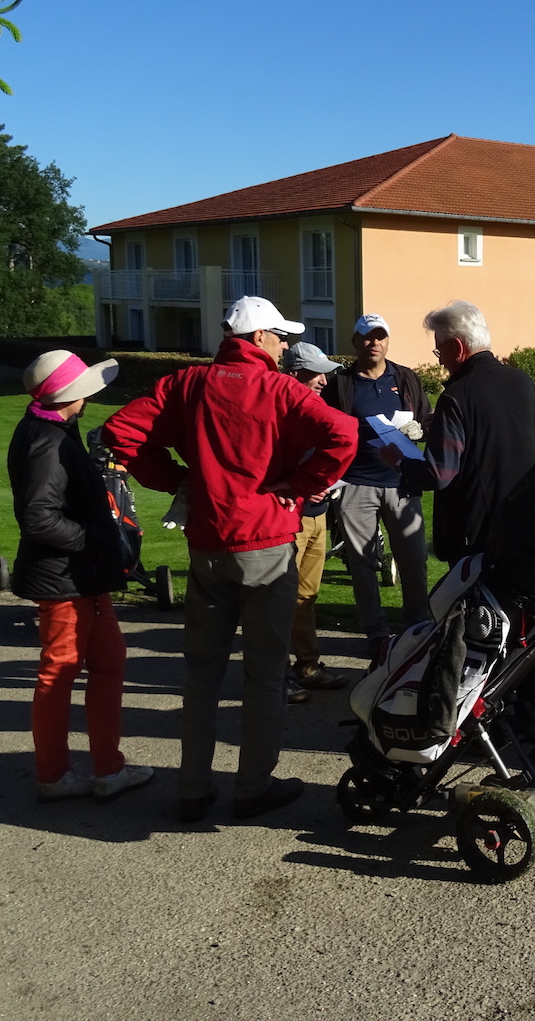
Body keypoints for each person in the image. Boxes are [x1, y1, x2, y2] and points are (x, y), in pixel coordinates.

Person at [102, 296, 358, 823]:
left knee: (202, 673)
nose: (286, 345)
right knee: (264, 673)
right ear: (260, 337)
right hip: (264, 540)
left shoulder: (185, 384)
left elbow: (119, 434)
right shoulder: (279, 388)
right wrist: (300, 484)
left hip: (208, 546)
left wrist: (177, 480)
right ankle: (252, 787)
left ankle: (193, 787)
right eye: (281, 336)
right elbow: (344, 435)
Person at [9, 350, 154, 804]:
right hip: (67, 579)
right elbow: (39, 518)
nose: (92, 394)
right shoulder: (46, 442)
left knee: (109, 664)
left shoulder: (53, 432)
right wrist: (97, 537)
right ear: (72, 395)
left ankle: (109, 768)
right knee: (59, 673)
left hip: (85, 578)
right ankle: (54, 773)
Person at [383, 300, 535, 566]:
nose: (440, 360)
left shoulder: (457, 395)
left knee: (471, 605)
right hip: (520, 520)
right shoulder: (522, 382)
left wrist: (398, 460)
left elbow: (438, 475)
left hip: (473, 533)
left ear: (457, 347)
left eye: (439, 350)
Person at [322, 314, 434, 666]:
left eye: (380, 336)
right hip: (356, 483)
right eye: (366, 337)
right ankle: (375, 634)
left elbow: (429, 419)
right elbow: (324, 425)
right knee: (362, 564)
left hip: (402, 483)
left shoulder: (404, 378)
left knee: (413, 560)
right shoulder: (341, 383)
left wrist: (419, 429)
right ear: (355, 343)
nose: (374, 343)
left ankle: (418, 627)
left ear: (387, 340)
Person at [281, 342, 349, 700]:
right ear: (294, 374)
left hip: (318, 515)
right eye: (316, 373)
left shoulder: (317, 407)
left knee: (306, 595)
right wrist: (305, 485)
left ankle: (306, 665)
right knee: (278, 597)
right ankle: (276, 674)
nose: (324, 380)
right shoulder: (278, 409)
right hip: (288, 517)